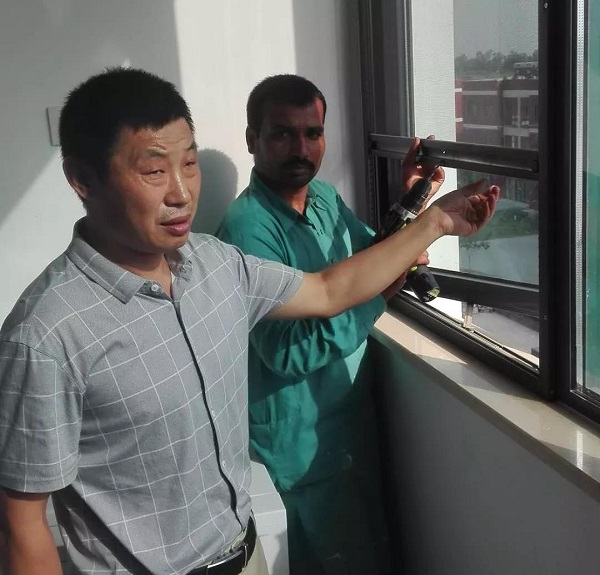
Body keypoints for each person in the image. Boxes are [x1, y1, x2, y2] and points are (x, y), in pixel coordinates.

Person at [0, 67, 499, 575]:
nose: (181, 193)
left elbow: (331, 289)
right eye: (153, 171)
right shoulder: (45, 336)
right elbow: (22, 525)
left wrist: (435, 220)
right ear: (82, 179)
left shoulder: (215, 266)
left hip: (245, 552)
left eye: (189, 163)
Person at [215, 74, 445, 575]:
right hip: (303, 453)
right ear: (253, 139)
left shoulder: (320, 196)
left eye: (312, 133)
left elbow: (371, 257)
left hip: (349, 429)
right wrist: (381, 291)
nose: (301, 149)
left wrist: (413, 196)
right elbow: (288, 351)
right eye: (283, 134)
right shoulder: (247, 229)